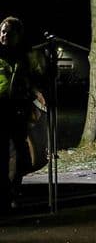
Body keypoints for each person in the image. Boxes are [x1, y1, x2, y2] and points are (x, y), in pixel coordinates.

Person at [0, 16, 46, 213]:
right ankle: (6, 196)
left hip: (17, 109)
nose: (4, 35)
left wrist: (37, 93)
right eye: (2, 31)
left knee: (19, 155)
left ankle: (12, 194)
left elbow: (30, 80)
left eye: (8, 32)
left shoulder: (24, 57)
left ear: (18, 35)